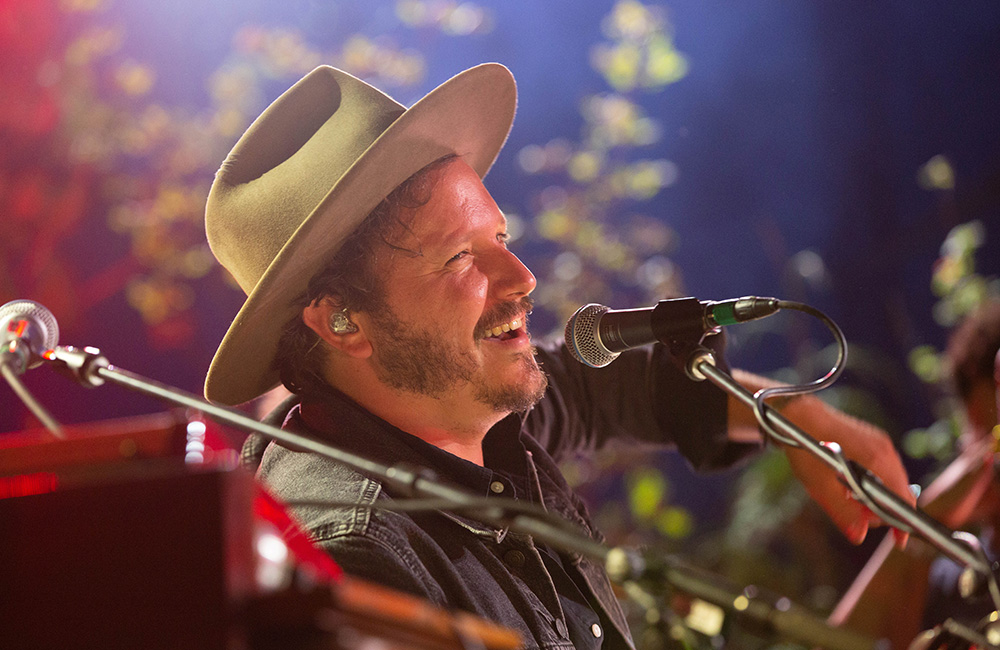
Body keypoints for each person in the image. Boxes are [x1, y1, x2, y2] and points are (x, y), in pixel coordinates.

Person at [204, 63, 914, 649]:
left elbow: (607, 386)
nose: (522, 279)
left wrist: (790, 415)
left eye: (501, 239)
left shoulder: (458, 413)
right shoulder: (352, 557)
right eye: (460, 257)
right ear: (341, 320)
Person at [829, 300, 1000, 648]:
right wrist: (925, 521)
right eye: (984, 438)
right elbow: (833, 642)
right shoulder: (953, 579)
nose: (986, 457)